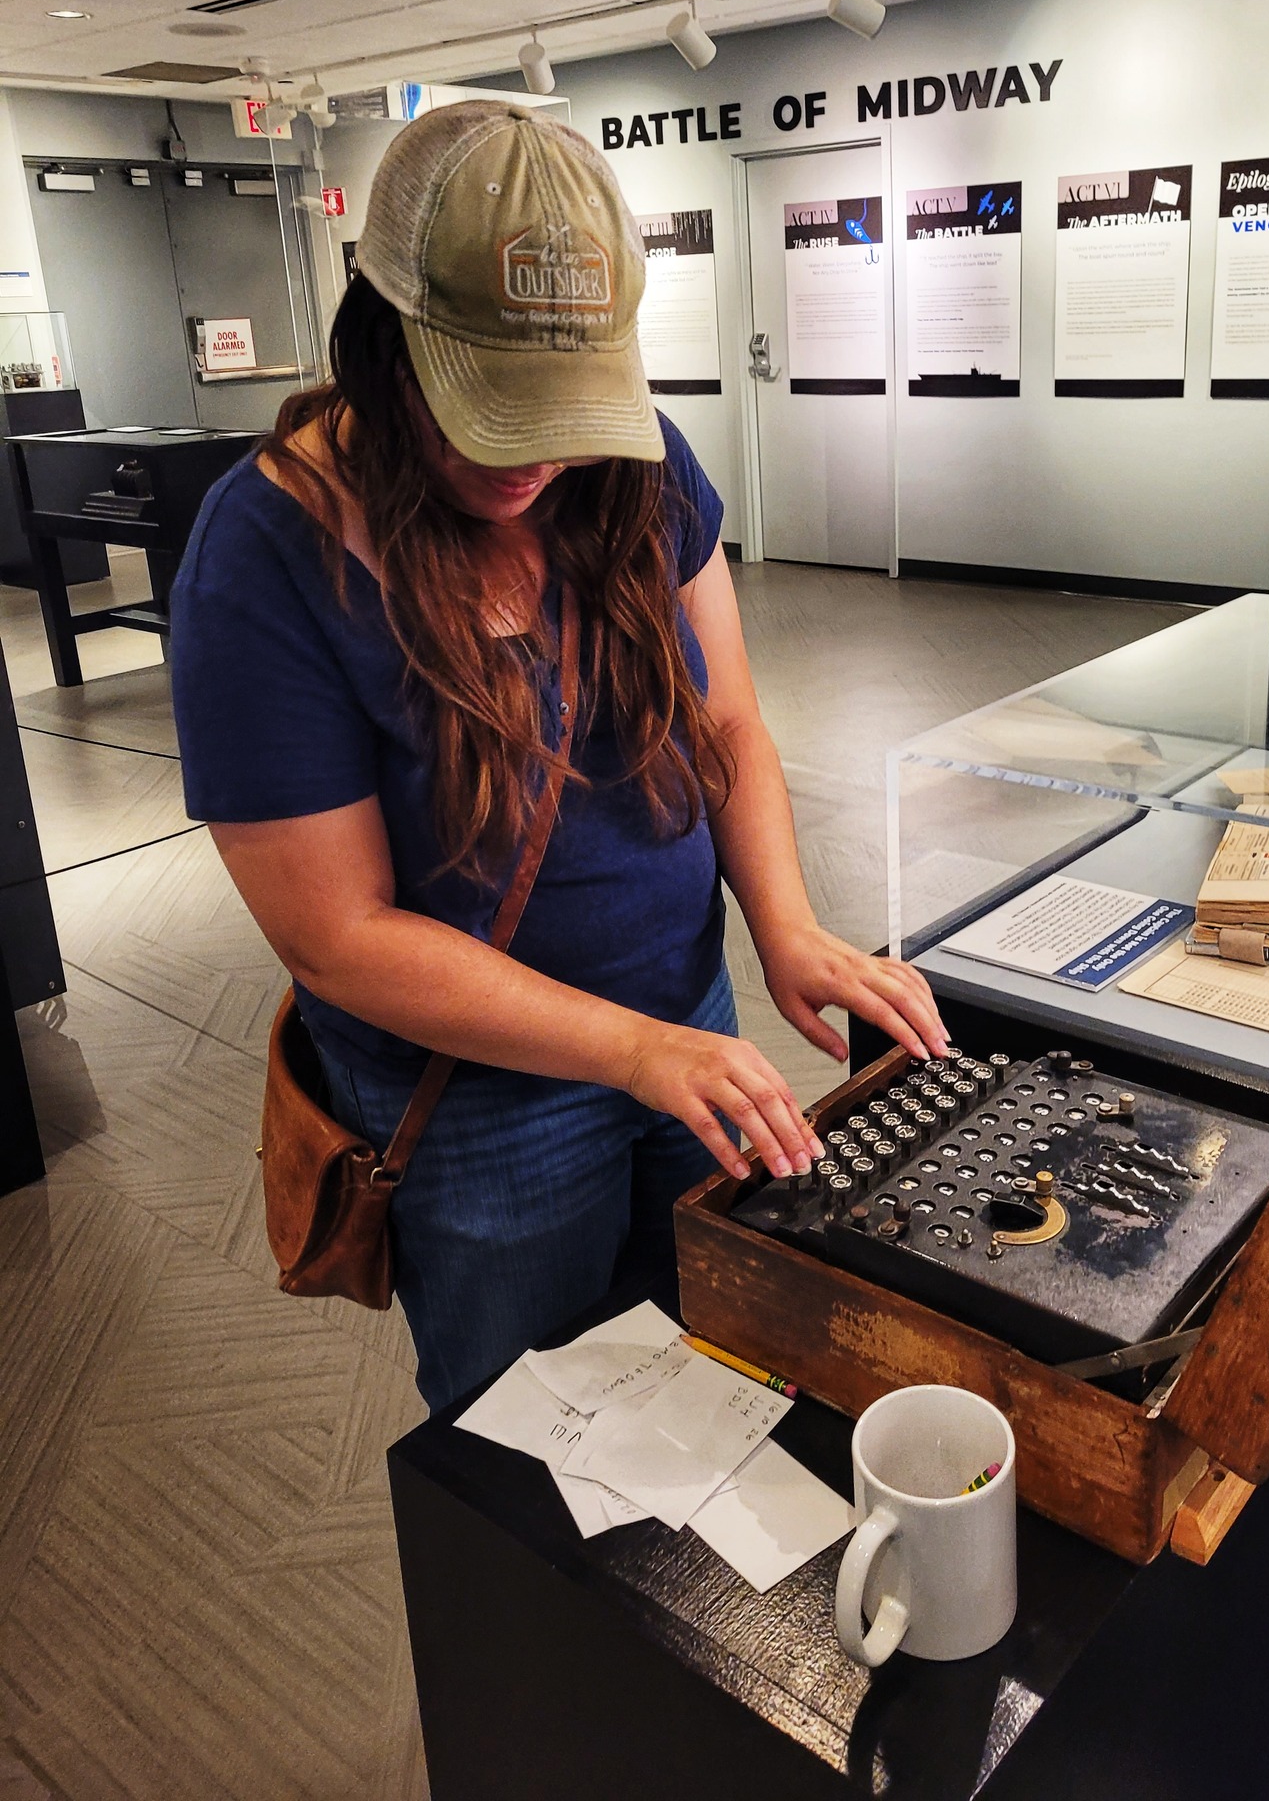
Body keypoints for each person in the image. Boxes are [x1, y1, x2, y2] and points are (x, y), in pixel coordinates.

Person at [171, 101, 946, 1412]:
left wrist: (788, 930)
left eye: (564, 406)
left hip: (685, 1026)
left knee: (720, 1382)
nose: (536, 455)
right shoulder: (266, 559)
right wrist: (630, 1052)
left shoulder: (640, 471)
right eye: (487, 407)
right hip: (480, 1104)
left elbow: (728, 726)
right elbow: (340, 937)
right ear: (383, 343)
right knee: (534, 1443)